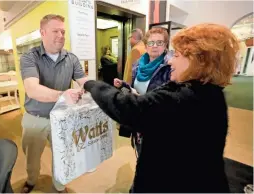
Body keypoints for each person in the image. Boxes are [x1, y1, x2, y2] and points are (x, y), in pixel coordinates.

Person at [83, 23, 239, 192]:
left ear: (198, 61)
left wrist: (90, 84)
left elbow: (131, 109)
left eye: (177, 55)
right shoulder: (210, 92)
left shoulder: (185, 97)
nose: (171, 60)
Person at [20, 14, 88, 193]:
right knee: (32, 157)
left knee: (63, 155)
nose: (61, 35)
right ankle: (31, 180)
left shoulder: (71, 58)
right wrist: (63, 95)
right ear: (42, 32)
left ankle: (59, 185)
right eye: (55, 31)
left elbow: (84, 81)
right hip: (36, 118)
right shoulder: (29, 57)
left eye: (63, 31)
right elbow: (32, 89)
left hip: (62, 117)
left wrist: (103, 90)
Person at [114, 27, 171, 157]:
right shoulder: (138, 65)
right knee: (140, 153)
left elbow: (172, 100)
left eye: (159, 42)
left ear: (165, 44)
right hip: (139, 120)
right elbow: (137, 87)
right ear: (145, 45)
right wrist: (125, 85)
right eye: (151, 43)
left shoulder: (169, 67)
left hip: (158, 124)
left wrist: (144, 100)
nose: (154, 46)